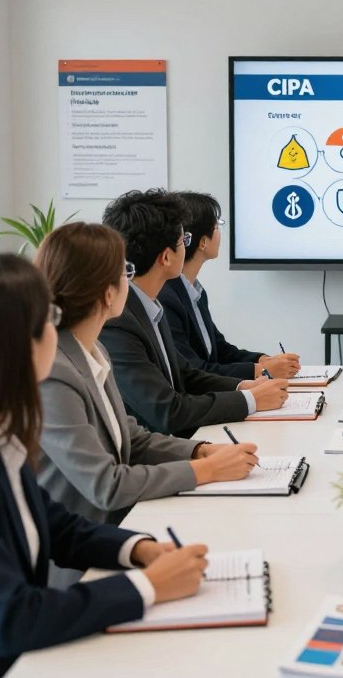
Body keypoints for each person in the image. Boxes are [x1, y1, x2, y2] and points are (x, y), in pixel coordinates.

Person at [0, 254, 208, 678]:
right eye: (48, 317)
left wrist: (139, 550)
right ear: (13, 343)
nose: (58, 327)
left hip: (20, 662)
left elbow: (58, 527)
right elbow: (12, 617)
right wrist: (146, 588)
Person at [35, 223, 259, 534]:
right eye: (124, 271)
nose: (130, 279)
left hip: (124, 525)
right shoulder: (54, 374)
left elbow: (132, 439)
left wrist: (199, 450)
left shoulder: (92, 350)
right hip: (87, 549)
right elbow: (106, 485)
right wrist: (205, 469)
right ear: (107, 293)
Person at [100, 189, 288, 435]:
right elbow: (166, 410)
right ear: (166, 257)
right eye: (183, 240)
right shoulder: (118, 321)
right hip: (153, 454)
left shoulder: (148, 305)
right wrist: (250, 400)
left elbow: (186, 375)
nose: (186, 247)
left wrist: (246, 387)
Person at [159, 191, 301, 379]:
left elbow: (221, 351)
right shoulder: (166, 298)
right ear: (202, 242)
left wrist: (263, 360)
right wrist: (261, 371)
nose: (220, 231)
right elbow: (194, 370)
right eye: (217, 226)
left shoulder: (195, 292)